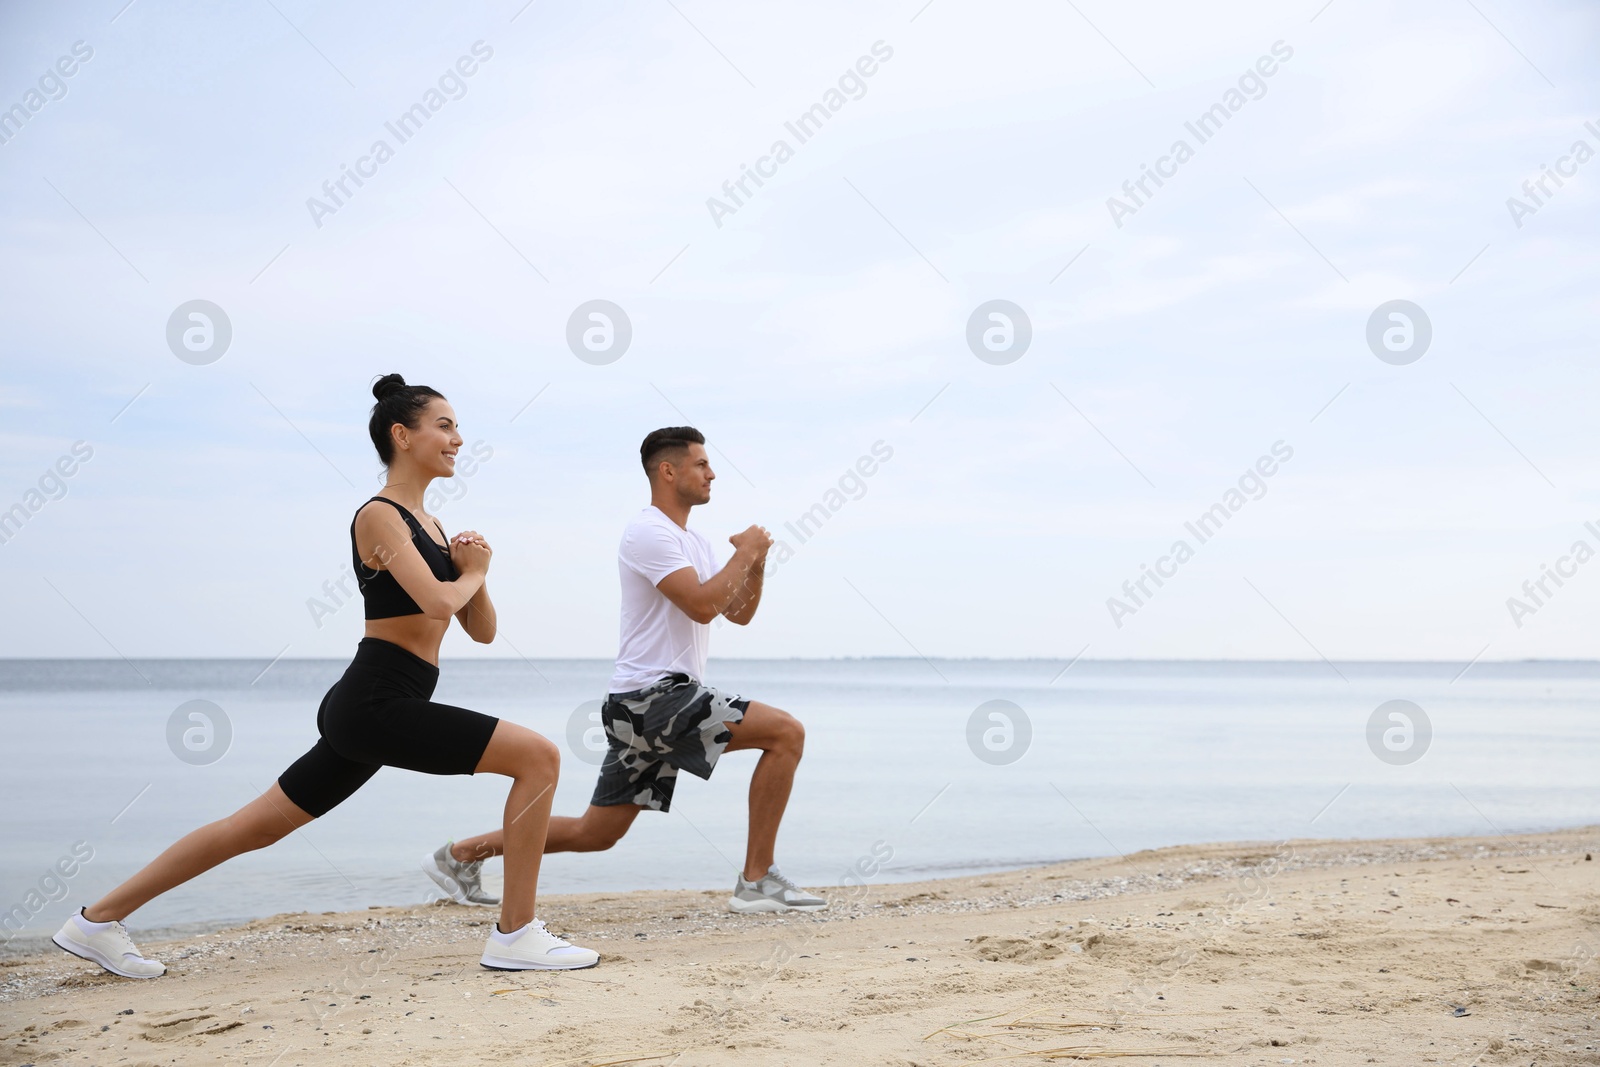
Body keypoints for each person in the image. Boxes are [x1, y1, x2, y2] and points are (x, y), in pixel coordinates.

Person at [52, 374, 597, 978]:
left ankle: (95, 921)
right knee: (539, 758)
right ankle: (516, 935)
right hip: (376, 700)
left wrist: (476, 572)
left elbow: (481, 628)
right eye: (444, 426)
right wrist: (475, 570)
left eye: (456, 427)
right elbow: (438, 604)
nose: (458, 439)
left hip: (380, 703)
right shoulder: (378, 517)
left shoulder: (436, 527)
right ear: (402, 435)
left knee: (249, 829)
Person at [423, 427, 826, 914]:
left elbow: (735, 611)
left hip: (643, 705)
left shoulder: (692, 539)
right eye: (701, 464)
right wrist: (742, 553)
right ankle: (757, 879)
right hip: (655, 699)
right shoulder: (648, 532)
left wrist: (755, 562)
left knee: (597, 832)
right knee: (786, 734)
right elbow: (701, 606)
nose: (712, 472)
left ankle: (461, 855)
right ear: (668, 471)